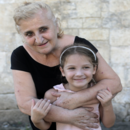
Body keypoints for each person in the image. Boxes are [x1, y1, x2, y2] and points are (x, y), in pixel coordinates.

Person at [11, 1, 122, 130]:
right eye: (29, 34)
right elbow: (25, 103)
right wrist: (68, 115)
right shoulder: (20, 55)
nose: (39, 39)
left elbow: (114, 83)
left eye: (43, 29)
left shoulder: (79, 47)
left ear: (56, 26)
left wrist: (75, 99)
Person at [31, 44, 116, 130]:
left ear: (94, 69)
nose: (79, 74)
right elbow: (46, 126)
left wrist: (107, 105)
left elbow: (109, 124)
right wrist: (36, 120)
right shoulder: (53, 94)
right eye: (72, 68)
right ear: (62, 71)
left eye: (86, 67)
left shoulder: (99, 93)